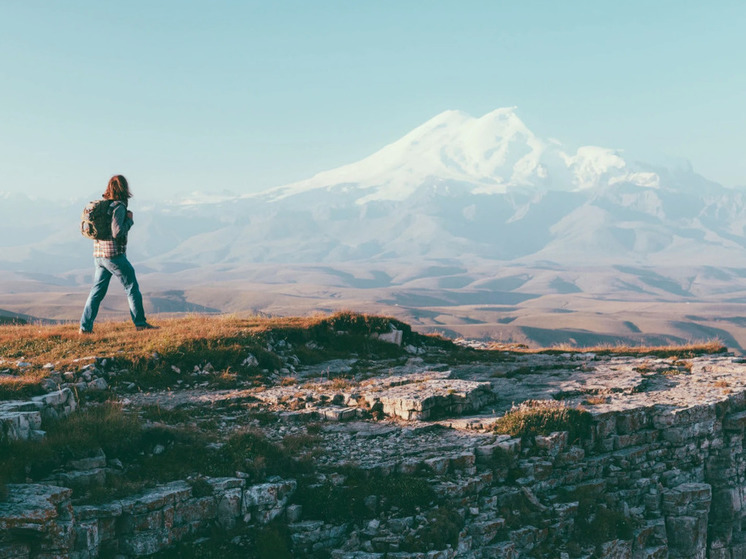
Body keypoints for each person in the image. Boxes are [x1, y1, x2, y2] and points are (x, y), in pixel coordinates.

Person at [79, 175, 158, 334]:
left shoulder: (103, 205)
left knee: (96, 292)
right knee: (132, 287)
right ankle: (140, 323)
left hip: (99, 255)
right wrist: (129, 221)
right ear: (124, 188)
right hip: (113, 255)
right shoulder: (118, 206)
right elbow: (117, 232)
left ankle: (85, 328)